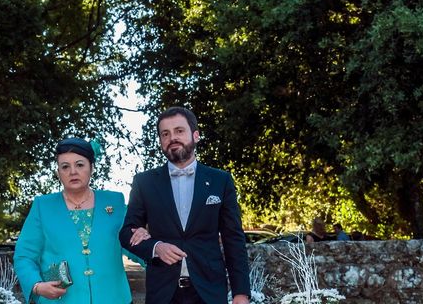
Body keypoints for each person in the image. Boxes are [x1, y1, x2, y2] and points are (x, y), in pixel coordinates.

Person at [120, 106, 251, 304]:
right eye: (165, 134)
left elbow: (233, 239)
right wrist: (156, 247)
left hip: (209, 293)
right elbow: (127, 232)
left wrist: (241, 293)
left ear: (196, 135)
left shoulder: (220, 180)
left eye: (179, 131)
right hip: (163, 294)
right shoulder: (144, 182)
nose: (172, 138)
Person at [14, 137, 142, 304]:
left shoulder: (114, 202)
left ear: (92, 167)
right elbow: (24, 256)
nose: (72, 172)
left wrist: (153, 251)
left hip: (114, 298)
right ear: (58, 172)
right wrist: (37, 286)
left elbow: (132, 243)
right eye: (65, 167)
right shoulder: (42, 206)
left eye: (80, 165)